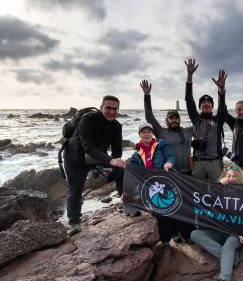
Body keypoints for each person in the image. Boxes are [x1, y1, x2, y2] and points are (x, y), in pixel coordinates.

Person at [63, 95, 126, 235]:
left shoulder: (116, 126)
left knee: (121, 170)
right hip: (75, 158)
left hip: (96, 158)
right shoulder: (87, 120)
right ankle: (74, 223)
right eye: (108, 108)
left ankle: (127, 204)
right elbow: (88, 147)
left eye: (115, 109)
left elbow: (117, 149)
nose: (111, 111)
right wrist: (110, 160)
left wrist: (116, 162)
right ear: (101, 107)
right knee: (75, 189)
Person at [190, 165, 243, 281]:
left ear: (239, 178)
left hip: (236, 233)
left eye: (234, 177)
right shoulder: (217, 190)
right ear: (224, 177)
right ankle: (231, 259)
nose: (231, 179)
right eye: (228, 176)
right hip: (219, 230)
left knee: (229, 245)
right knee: (195, 234)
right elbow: (202, 199)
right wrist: (217, 185)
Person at [129, 123, 181, 245]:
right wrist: (126, 192)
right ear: (139, 135)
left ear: (152, 133)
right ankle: (165, 240)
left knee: (172, 208)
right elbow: (131, 171)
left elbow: (171, 156)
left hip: (166, 182)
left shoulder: (161, 145)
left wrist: (169, 163)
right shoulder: (137, 154)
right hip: (150, 187)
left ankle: (176, 233)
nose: (146, 134)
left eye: (149, 132)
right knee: (158, 213)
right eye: (143, 132)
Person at [185, 58, 227, 182]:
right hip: (198, 163)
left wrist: (221, 90)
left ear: (212, 106)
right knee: (197, 192)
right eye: (203, 102)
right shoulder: (196, 119)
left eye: (209, 102)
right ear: (200, 107)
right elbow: (188, 99)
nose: (206, 103)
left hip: (215, 162)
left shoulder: (218, 120)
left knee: (218, 192)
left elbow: (222, 109)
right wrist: (189, 75)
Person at [140, 79, 194, 175]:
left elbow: (199, 122)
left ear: (179, 120)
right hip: (171, 173)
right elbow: (149, 117)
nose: (174, 120)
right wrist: (147, 96)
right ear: (167, 120)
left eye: (176, 118)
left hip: (189, 173)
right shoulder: (161, 132)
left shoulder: (188, 131)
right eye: (171, 118)